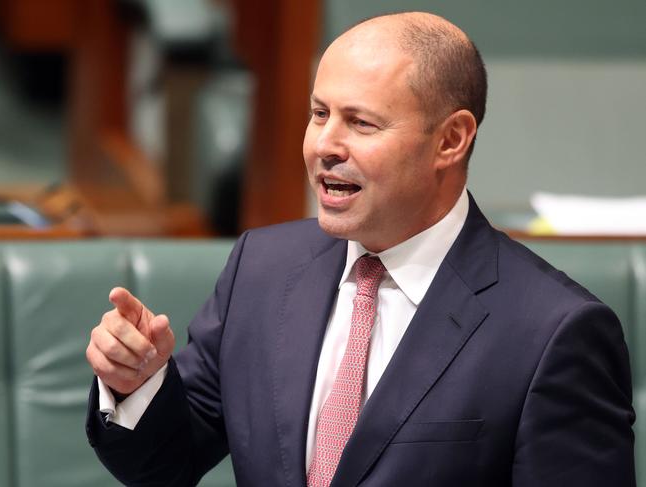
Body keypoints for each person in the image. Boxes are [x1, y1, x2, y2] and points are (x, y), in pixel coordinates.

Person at [85, 11, 636, 487]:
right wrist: (137, 387)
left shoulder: (555, 333)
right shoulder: (262, 269)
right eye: (319, 113)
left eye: (361, 123)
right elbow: (166, 465)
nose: (325, 145)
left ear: (450, 139)